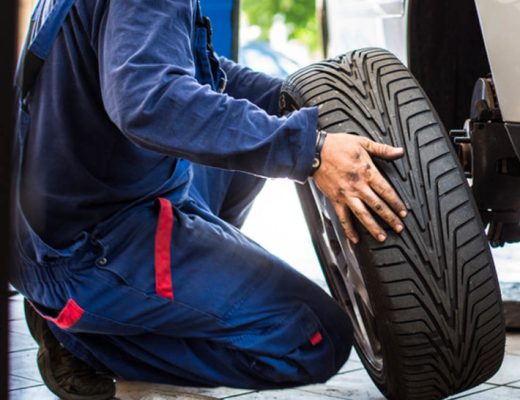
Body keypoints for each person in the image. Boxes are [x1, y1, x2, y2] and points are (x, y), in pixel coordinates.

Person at [12, 0, 407, 399]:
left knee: (242, 138)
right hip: (85, 248)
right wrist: (310, 150)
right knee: (317, 337)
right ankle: (83, 338)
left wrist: (295, 105)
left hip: (73, 208)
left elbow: (185, 65)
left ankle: (169, 300)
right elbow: (149, 102)